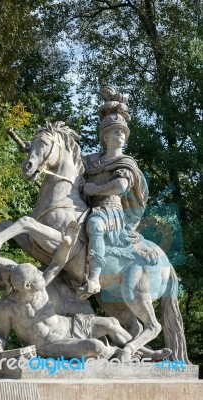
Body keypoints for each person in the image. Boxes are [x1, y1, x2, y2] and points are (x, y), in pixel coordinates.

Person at [0, 220, 169, 361]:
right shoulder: (7, 307)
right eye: (35, 273)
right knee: (96, 346)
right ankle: (116, 353)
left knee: (112, 323)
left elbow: (57, 264)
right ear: (27, 286)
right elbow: (2, 335)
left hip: (70, 325)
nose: (40, 272)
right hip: (52, 344)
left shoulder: (39, 287)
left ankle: (145, 353)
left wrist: (67, 243)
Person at [77, 86, 158, 299]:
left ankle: (94, 278)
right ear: (105, 137)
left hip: (112, 212)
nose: (120, 134)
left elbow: (120, 186)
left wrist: (95, 189)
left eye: (123, 132)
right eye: (116, 131)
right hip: (87, 207)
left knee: (95, 224)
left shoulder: (125, 162)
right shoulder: (91, 160)